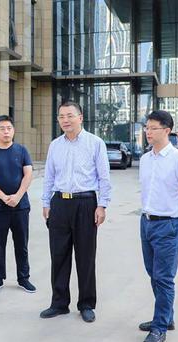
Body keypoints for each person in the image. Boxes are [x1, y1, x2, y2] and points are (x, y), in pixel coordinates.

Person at [40, 101, 112, 323]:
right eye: (61, 116)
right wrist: (46, 203)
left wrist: (102, 205)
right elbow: (49, 176)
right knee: (58, 255)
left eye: (70, 115)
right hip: (60, 202)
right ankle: (59, 303)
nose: (65, 120)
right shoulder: (55, 145)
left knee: (85, 255)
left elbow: (104, 177)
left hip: (86, 203)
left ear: (80, 117)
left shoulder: (95, 143)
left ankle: (87, 304)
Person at [138, 110, 178, 342]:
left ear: (167, 130)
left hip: (168, 224)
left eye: (153, 128)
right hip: (147, 221)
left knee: (164, 278)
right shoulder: (145, 159)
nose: (148, 132)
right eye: (146, 128)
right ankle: (166, 316)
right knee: (153, 273)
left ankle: (160, 327)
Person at [0, 115, 35, 293]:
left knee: (22, 244)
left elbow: (28, 174)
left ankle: (23, 278)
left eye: (9, 128)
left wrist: (18, 196)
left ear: (13, 130)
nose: (6, 131)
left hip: (21, 207)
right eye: (2, 128)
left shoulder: (21, 150)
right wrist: (3, 197)